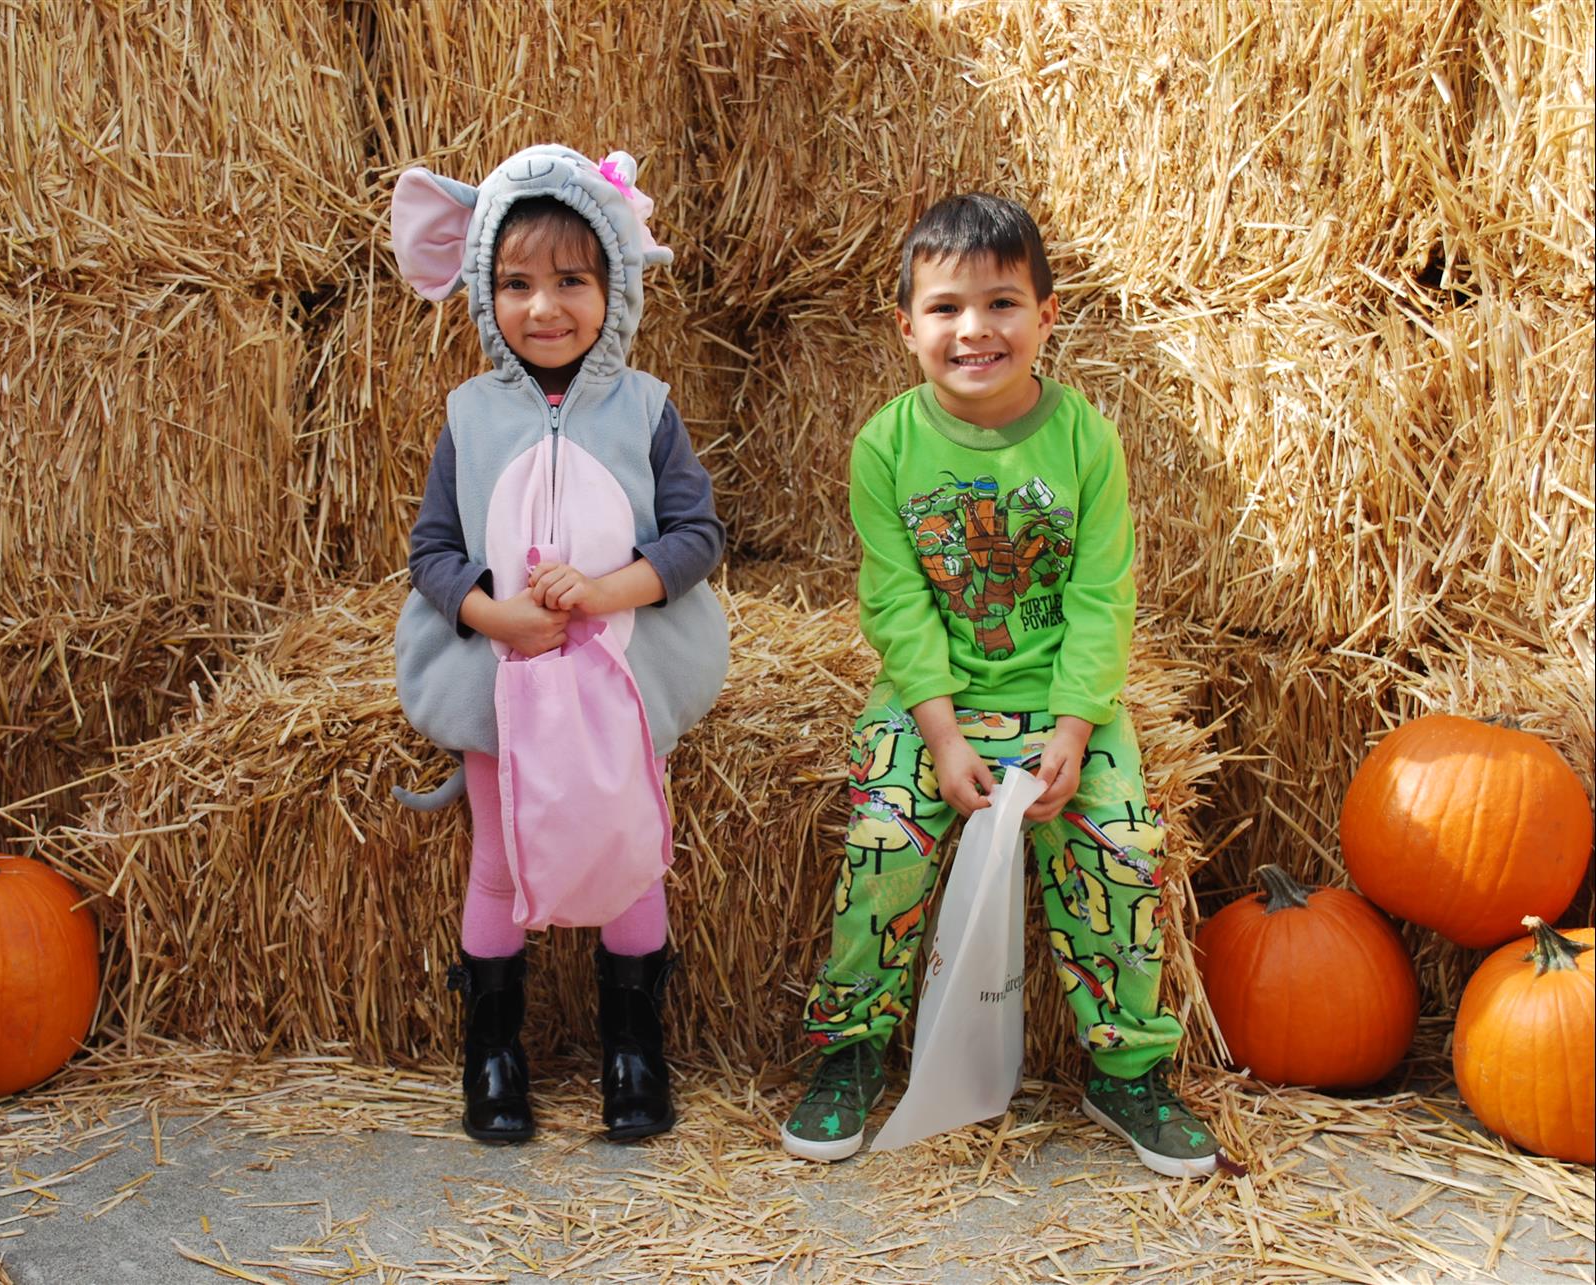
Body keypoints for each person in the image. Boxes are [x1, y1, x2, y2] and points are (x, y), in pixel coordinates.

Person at [778, 193, 1218, 1178]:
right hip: (928, 700)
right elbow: (897, 604)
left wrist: (1071, 732)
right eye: (944, 308)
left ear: (1047, 316)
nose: (974, 329)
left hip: (1063, 698)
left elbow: (1104, 599)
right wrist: (938, 739)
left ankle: (1129, 1071)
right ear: (906, 328)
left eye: (1002, 303)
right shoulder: (886, 447)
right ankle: (850, 1049)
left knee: (1121, 846)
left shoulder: (1084, 443)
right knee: (885, 836)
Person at [388, 145, 728, 1145]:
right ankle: (492, 1054)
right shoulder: (470, 415)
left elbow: (696, 536)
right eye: (518, 283)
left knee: (630, 861)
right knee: (496, 861)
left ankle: (635, 1048)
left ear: (613, 286)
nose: (545, 307)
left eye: (572, 281)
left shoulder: (647, 409)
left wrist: (605, 589)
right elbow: (433, 550)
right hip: (507, 681)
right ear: (486, 294)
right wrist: (495, 614)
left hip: (619, 679)